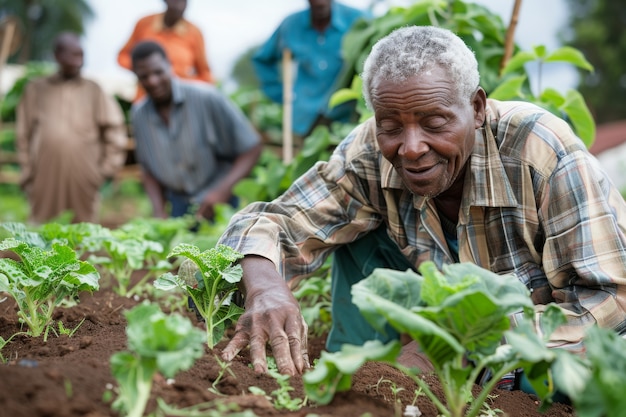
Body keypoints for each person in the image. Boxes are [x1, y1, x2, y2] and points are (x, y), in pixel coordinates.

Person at [217, 25, 626, 377]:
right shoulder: (370, 152)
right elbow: (280, 219)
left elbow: (612, 302)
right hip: (440, 306)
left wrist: (455, 341)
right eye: (390, 125)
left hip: (544, 341)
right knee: (354, 237)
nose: (410, 148)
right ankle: (362, 379)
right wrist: (265, 284)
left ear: (477, 108)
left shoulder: (540, 151)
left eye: (435, 123)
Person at [129, 40, 262, 221]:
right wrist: (159, 211)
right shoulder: (139, 114)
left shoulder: (207, 97)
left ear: (170, 66)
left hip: (223, 203)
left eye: (158, 72)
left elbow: (252, 147)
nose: (152, 81)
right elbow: (148, 169)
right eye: (144, 76)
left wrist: (221, 192)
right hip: (179, 206)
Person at [16, 32, 127, 224]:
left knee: (82, 227)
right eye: (73, 55)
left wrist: (107, 168)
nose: (79, 61)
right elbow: (23, 133)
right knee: (42, 224)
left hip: (84, 171)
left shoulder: (94, 90)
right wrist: (27, 168)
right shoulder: (36, 89)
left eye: (81, 55)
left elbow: (115, 128)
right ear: (57, 56)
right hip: (44, 171)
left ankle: (82, 256)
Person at [252, 0, 368, 138]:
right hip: (305, 119)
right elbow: (262, 60)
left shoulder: (358, 20)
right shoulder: (291, 26)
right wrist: (282, 94)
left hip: (346, 117)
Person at [117, 0, 214, 101]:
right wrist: (145, 71)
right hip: (146, 97)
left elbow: (206, 76)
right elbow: (123, 56)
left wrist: (182, 83)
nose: (179, 6)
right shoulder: (144, 24)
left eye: (184, 1)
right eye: (175, 1)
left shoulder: (194, 33)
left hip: (179, 100)